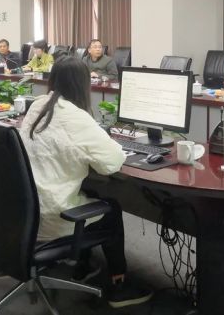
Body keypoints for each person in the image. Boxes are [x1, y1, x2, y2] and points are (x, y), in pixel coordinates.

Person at [19, 56, 152, 308]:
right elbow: (111, 162)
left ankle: (84, 264)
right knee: (111, 208)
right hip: (52, 215)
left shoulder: (38, 105)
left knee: (90, 191)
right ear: (83, 85)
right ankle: (119, 285)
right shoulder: (76, 117)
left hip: (25, 211)